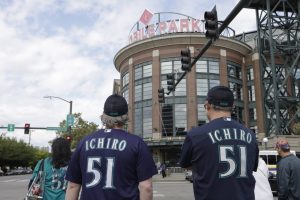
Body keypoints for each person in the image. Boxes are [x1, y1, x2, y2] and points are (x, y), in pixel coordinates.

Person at [65, 94, 157, 200]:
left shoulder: (83, 143)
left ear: (104, 115)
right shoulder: (137, 143)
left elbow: (73, 186)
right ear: (126, 115)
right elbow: (146, 187)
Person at [179, 85, 259, 200]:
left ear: (207, 105)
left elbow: (185, 164)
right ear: (232, 107)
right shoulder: (250, 135)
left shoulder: (196, 135)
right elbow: (250, 166)